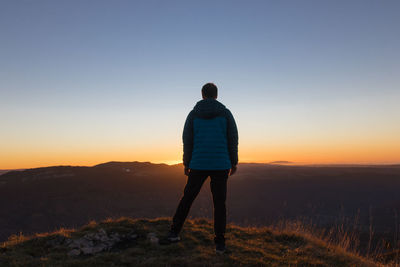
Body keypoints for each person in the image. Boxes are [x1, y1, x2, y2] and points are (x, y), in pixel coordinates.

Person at [166, 82, 239, 254]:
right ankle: (220, 244)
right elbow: (233, 139)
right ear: (216, 95)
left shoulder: (193, 114)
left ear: (202, 95)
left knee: (187, 198)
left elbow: (187, 140)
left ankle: (174, 233)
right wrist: (233, 162)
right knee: (219, 203)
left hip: (198, 164)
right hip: (221, 164)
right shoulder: (226, 114)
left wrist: (186, 163)